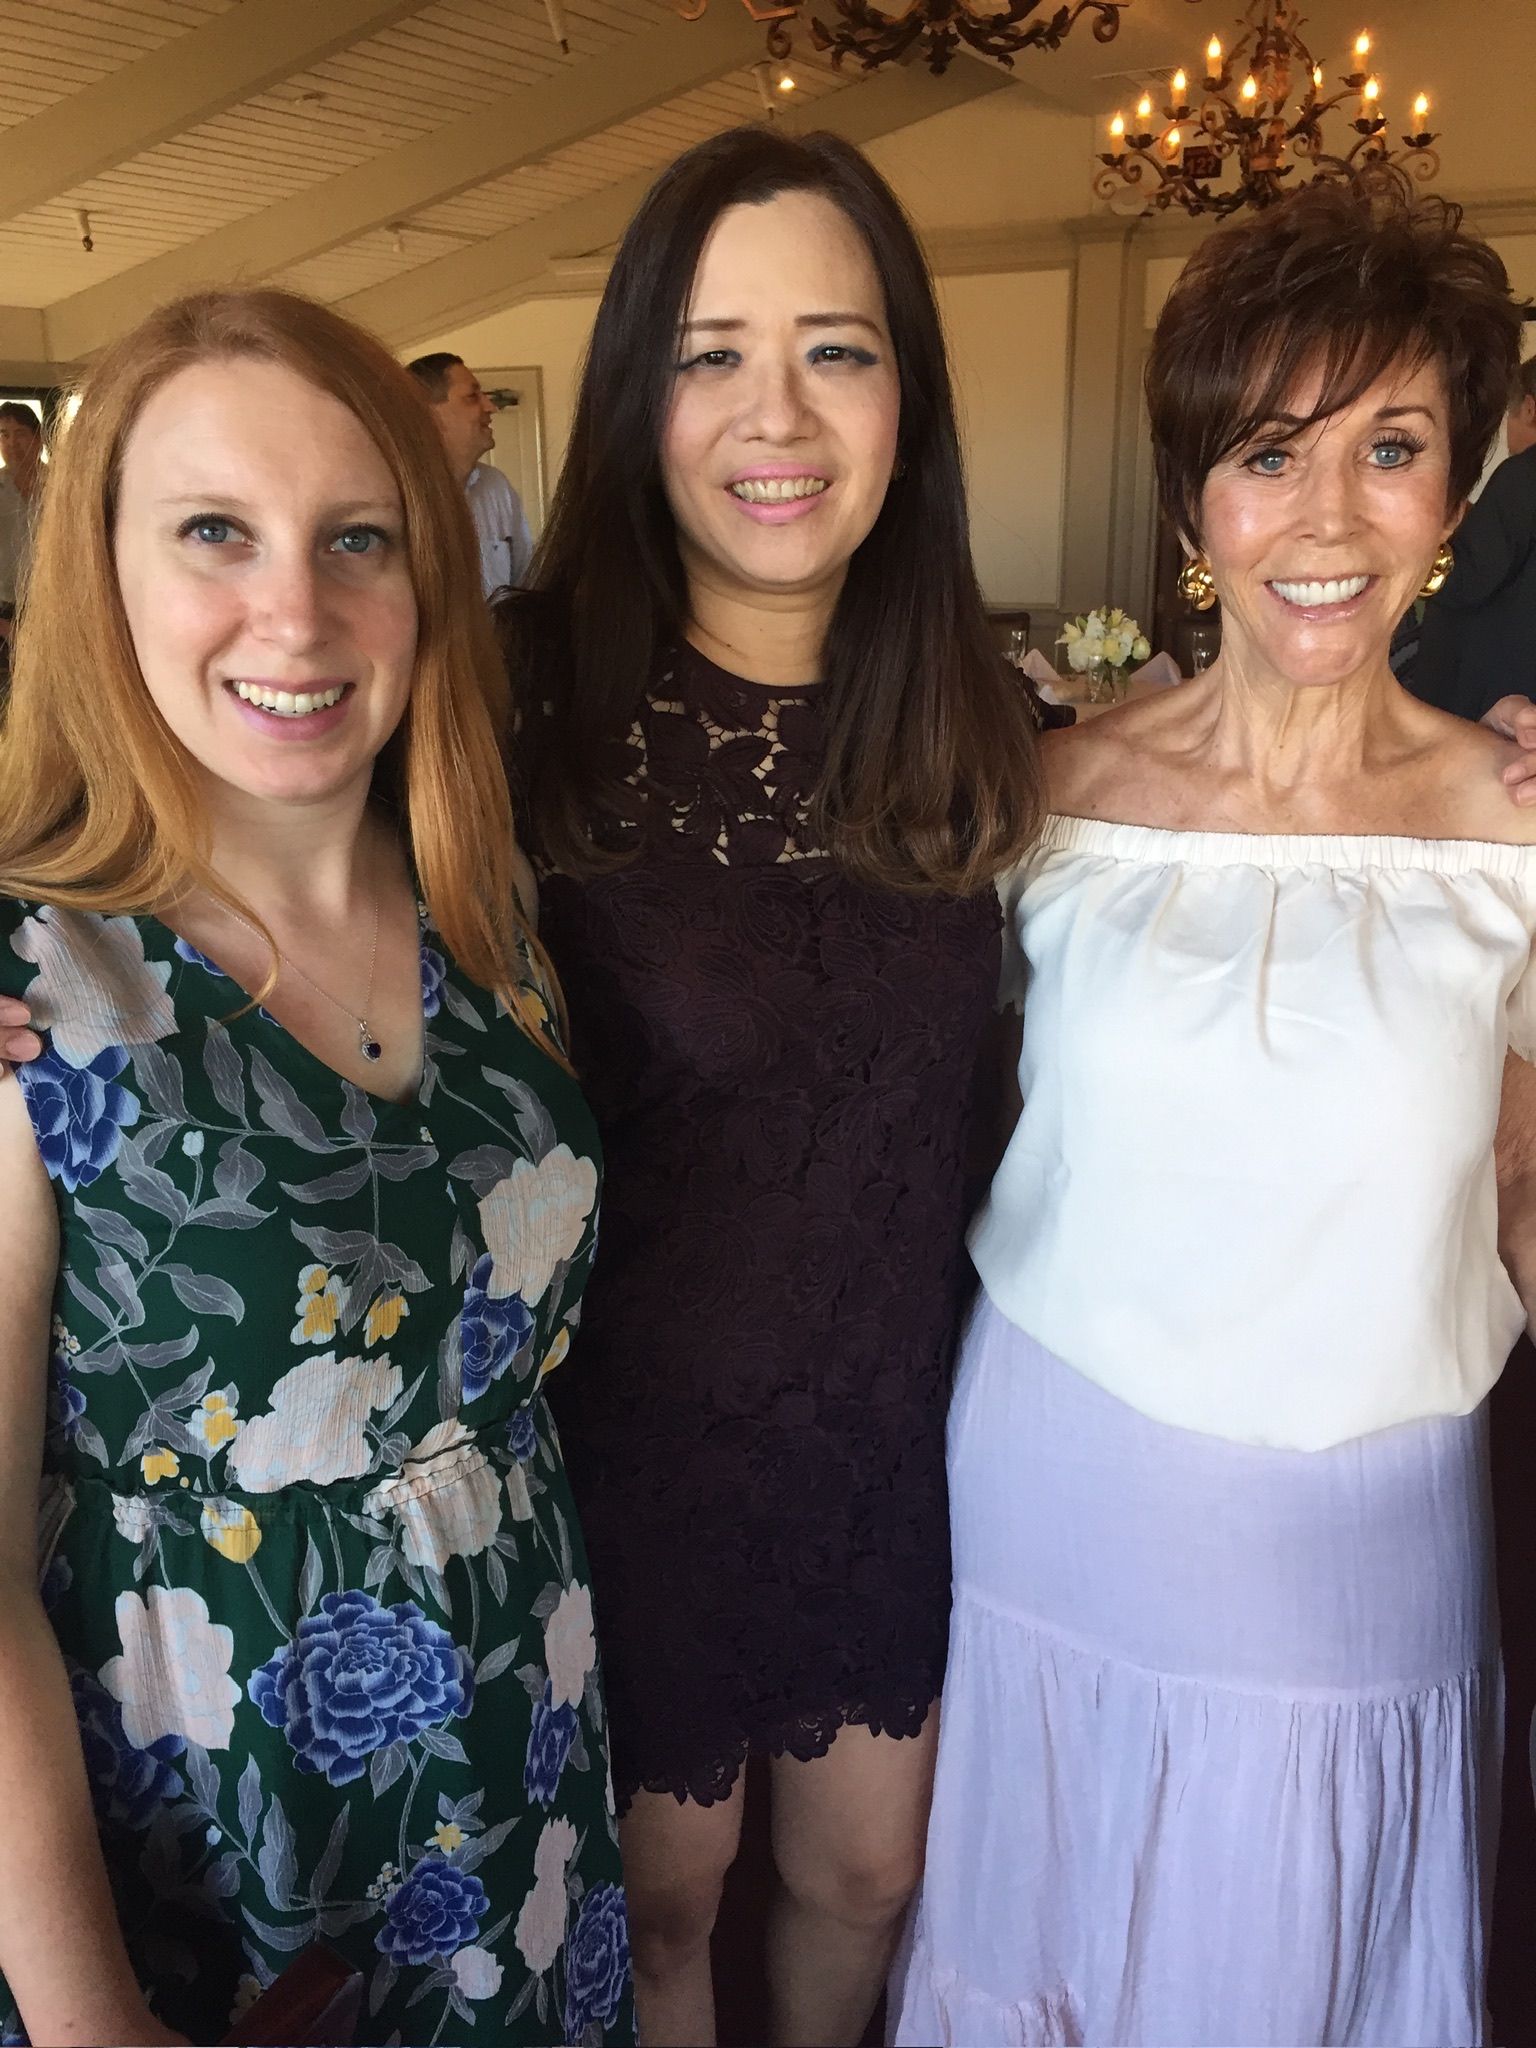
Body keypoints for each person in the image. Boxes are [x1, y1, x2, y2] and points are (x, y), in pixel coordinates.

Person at [892, 175, 1536, 2048]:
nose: (1328, 517)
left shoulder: (1514, 835)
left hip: (1358, 1531)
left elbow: (1519, 1181)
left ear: (1460, 489)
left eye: (1391, 448)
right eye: (1269, 453)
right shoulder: (1051, 797)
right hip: (1048, 1479)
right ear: (1193, 504)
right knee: (1041, 1943)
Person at [0, 288, 633, 2048]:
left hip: (516, 1769)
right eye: (215, 531)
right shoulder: (37, 992)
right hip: (203, 1833)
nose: (296, 611)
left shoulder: (493, 923)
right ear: (101, 574)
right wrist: (87, 2017)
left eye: (358, 537)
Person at [498, 126, 1044, 2047]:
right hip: (630, 1440)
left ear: (909, 398)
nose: (778, 413)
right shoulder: (516, 707)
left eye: (837, 348)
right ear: (633, 396)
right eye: (712, 352)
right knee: (664, 1900)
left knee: (869, 1877)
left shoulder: (985, 725)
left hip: (890, 1427)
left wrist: (1467, 759)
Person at [1405, 354, 1536, 719]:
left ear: (1529, 408)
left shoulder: (1523, 475)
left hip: (1491, 697)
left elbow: (1465, 582)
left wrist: (1428, 539)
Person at [405, 353, 534, 599]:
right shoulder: (395, 493)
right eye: (472, 397)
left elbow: (525, 580)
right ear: (427, 413)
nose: (491, 407)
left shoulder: (496, 487)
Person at [0, 399, 45, 667]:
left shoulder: (62, 485)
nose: (12, 443)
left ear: (39, 439)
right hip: (5, 610)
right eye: (4, 435)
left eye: (20, 434)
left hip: (53, 604)